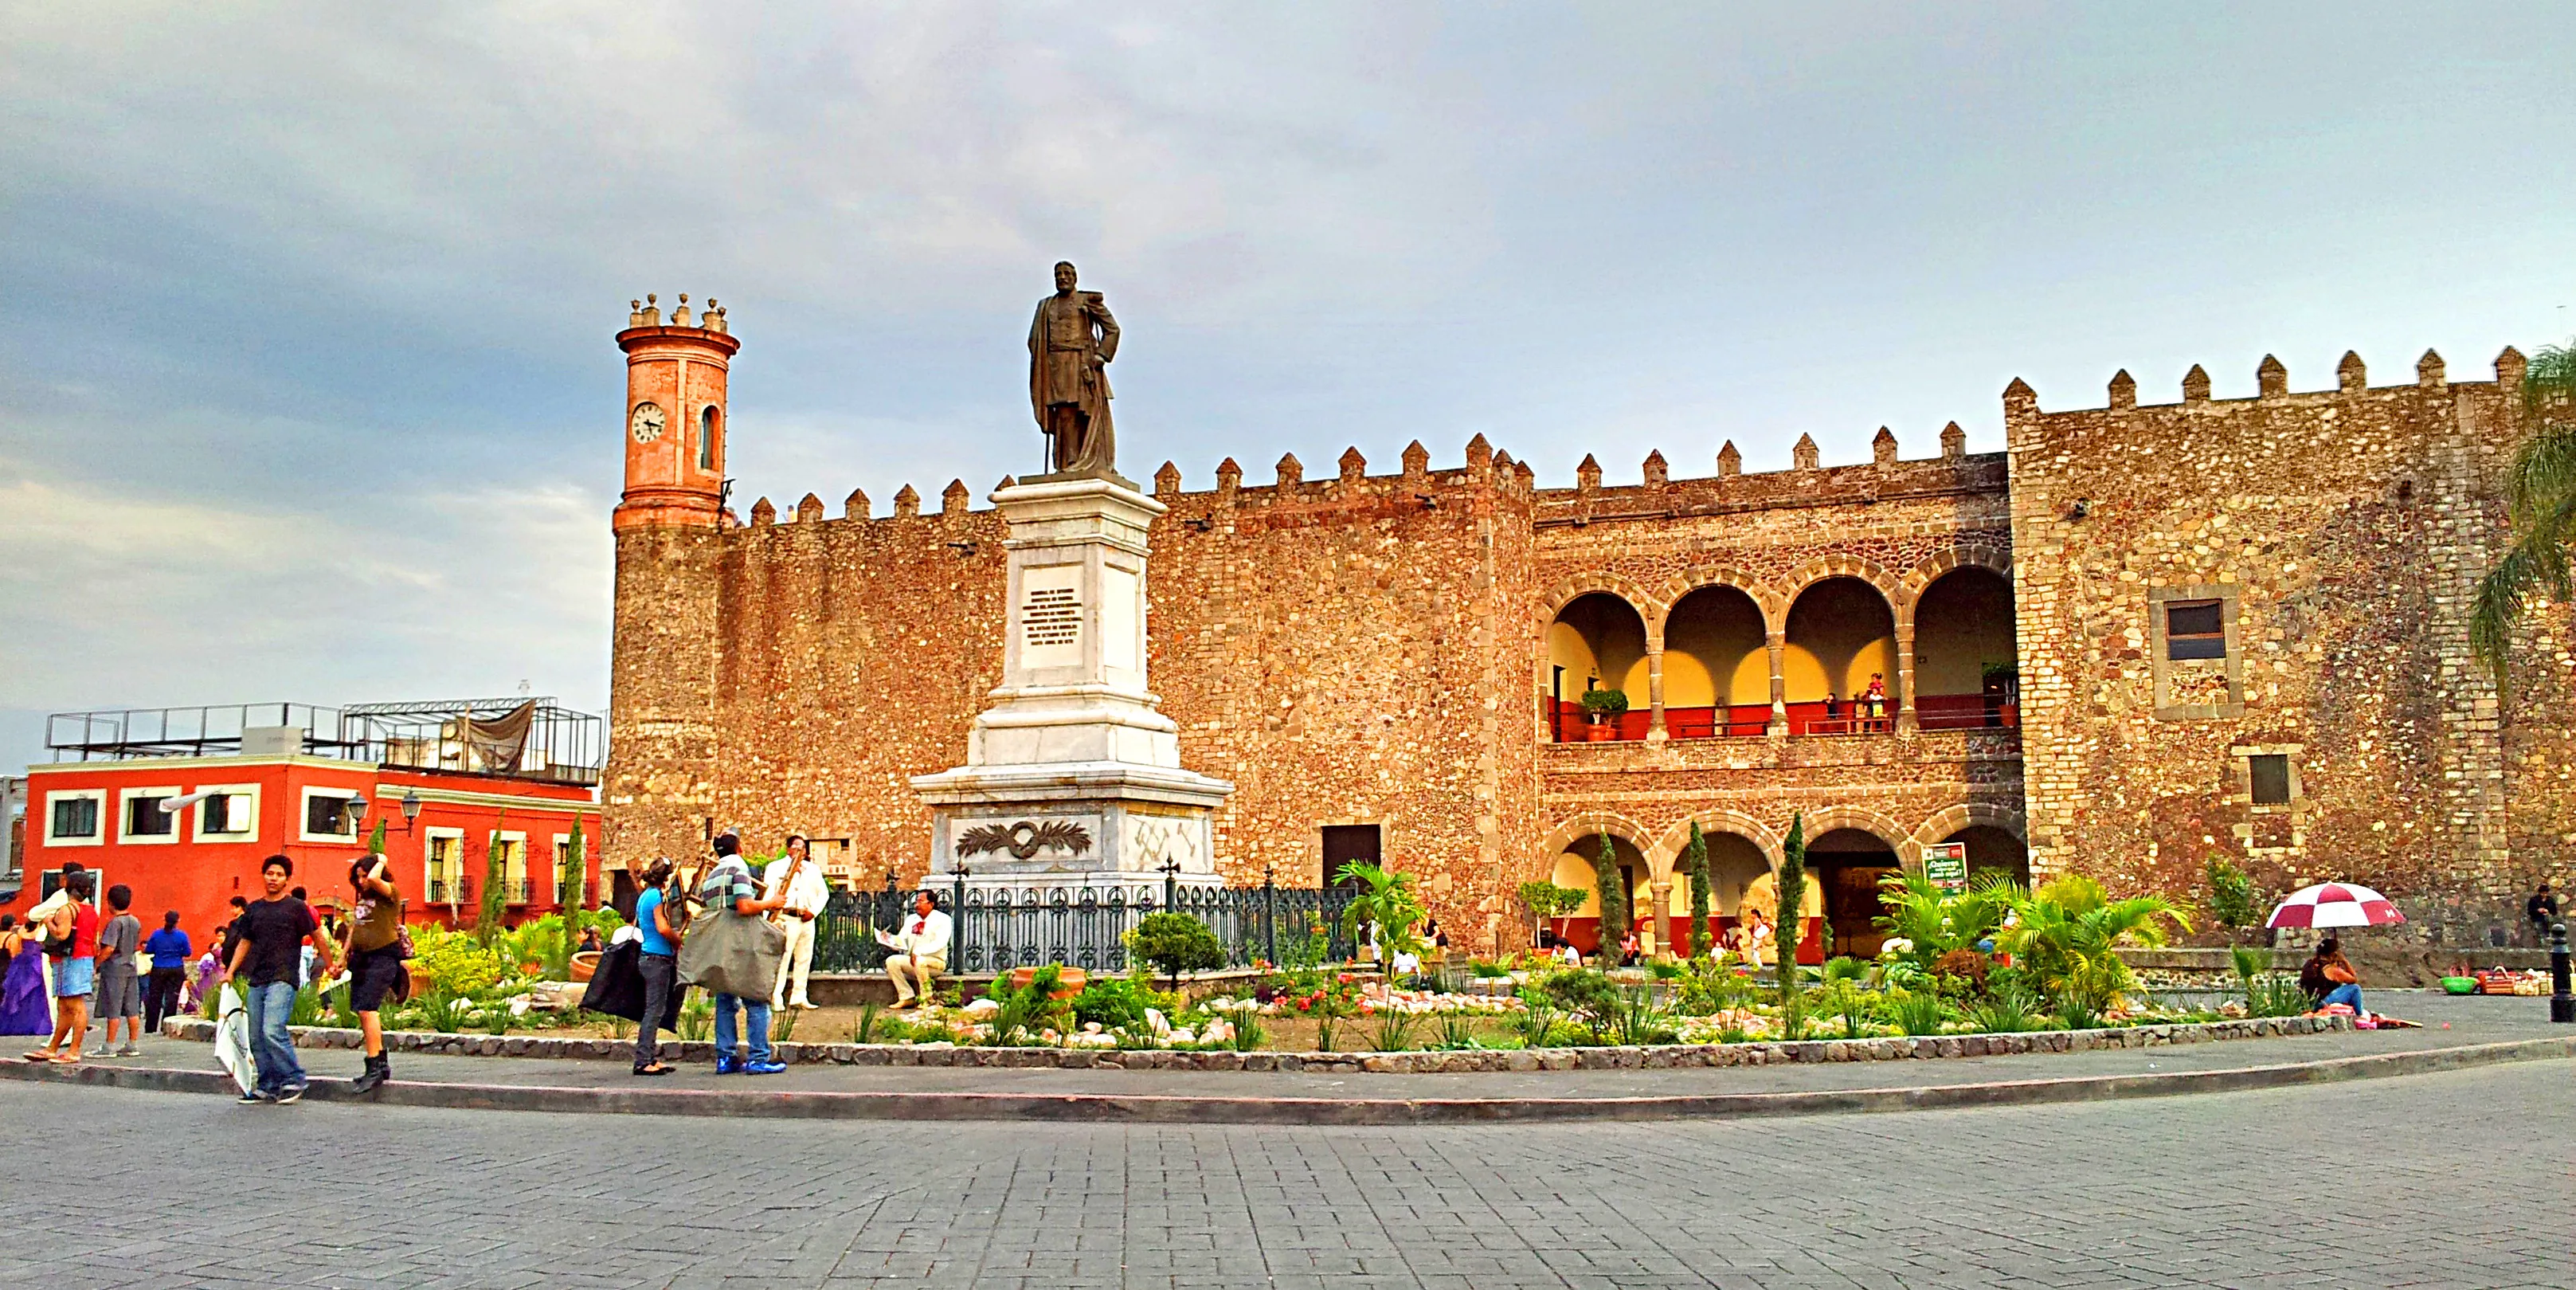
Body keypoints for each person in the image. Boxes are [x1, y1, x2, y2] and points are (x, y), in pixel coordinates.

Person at [223, 856, 335, 1104]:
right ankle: (268, 1084)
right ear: (264, 875)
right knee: (255, 1036)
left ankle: (294, 1079)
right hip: (257, 978)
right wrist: (230, 971)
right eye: (270, 873)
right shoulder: (254, 909)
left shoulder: (296, 907)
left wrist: (331, 965)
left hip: (283, 977)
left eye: (279, 875)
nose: (273, 878)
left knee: (272, 1030)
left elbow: (318, 936)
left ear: (287, 879)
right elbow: (245, 941)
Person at [698, 837, 788, 1075]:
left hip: (720, 942)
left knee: (725, 1001)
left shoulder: (712, 875)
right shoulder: (738, 869)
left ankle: (725, 1058)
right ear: (739, 848)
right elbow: (744, 906)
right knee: (756, 999)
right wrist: (771, 902)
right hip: (740, 942)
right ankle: (758, 1059)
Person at [339, 854, 406, 1093]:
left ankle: (374, 1067)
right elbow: (354, 929)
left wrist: (381, 859)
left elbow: (374, 877)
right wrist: (341, 957)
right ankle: (380, 1062)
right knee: (361, 1009)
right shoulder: (363, 901)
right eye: (356, 878)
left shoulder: (389, 894)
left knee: (369, 1008)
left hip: (383, 956)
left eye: (363, 876)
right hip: (361, 959)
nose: (362, 881)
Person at [28, 872, 98, 1065]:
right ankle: (54, 1047)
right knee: (64, 1006)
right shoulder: (91, 910)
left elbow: (61, 934)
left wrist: (49, 921)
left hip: (70, 959)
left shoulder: (67, 910)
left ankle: (74, 1050)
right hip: (82, 957)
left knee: (74, 1005)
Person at [765, 834, 828, 1011]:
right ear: (788, 849)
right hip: (786, 917)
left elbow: (823, 894)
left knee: (804, 958)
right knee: (783, 958)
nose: (800, 851)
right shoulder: (775, 868)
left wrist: (813, 912)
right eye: (796, 847)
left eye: (803, 848)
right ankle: (776, 996)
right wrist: (769, 919)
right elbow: (769, 892)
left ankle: (799, 996)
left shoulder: (813, 869)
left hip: (806, 918)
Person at [631, 859, 680, 1077]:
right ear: (666, 878)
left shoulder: (644, 896)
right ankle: (643, 1060)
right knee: (654, 1010)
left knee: (655, 1009)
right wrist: (676, 939)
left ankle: (650, 1057)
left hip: (648, 955)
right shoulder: (657, 896)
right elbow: (662, 927)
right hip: (658, 957)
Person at [92, 884, 144, 1058]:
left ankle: (109, 1045)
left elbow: (109, 949)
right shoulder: (135, 921)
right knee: (132, 1007)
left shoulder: (115, 923)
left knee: (113, 1007)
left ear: (110, 902)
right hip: (131, 965)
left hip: (115, 968)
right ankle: (132, 1043)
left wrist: (96, 964)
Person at [883, 890, 951, 1010]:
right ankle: (906, 996)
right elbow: (902, 940)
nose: (917, 905)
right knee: (892, 961)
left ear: (931, 904)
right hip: (914, 960)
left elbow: (941, 942)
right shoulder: (912, 919)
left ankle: (927, 998)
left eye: (921, 901)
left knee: (920, 961)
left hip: (935, 962)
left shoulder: (943, 920)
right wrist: (889, 940)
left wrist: (919, 952)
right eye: (916, 902)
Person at [0, 916, 49, 1037]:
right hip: (35, 962)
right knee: (37, 994)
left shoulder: (21, 931)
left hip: (21, 963)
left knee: (15, 993)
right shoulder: (40, 930)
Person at [143, 912, 191, 1036]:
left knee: (154, 998)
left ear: (164, 919)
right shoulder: (182, 936)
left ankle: (151, 1027)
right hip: (176, 968)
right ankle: (167, 1025)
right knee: (172, 998)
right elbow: (187, 952)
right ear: (178, 921)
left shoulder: (157, 934)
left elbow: (148, 949)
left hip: (158, 967)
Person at [2299, 936, 2366, 1016]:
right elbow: (2353, 979)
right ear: (2333, 954)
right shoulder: (2332, 970)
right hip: (2322, 1003)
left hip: (2309, 1002)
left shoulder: (2310, 963)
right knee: (2355, 988)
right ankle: (2359, 1015)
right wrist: (2344, 961)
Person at [2529, 882, 2562, 947]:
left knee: (2550, 927)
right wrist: (2538, 910)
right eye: (2542, 893)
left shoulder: (2550, 900)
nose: (2544, 895)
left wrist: (2548, 912)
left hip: (2548, 919)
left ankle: (2548, 941)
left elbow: (2554, 911)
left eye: (2545, 893)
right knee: (2538, 929)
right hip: (2537, 918)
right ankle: (2541, 943)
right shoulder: (2534, 900)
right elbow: (2530, 911)